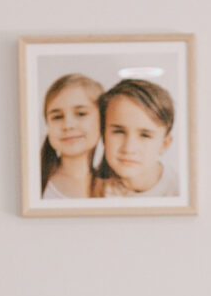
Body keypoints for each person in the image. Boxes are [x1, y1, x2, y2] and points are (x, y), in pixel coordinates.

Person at [98, 76, 178, 198]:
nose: (129, 148)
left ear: (164, 144)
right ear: (103, 135)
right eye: (119, 131)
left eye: (145, 135)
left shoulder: (179, 192)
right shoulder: (93, 189)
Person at [36, 72, 106, 201]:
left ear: (102, 120)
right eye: (57, 117)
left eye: (80, 114)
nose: (68, 125)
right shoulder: (35, 185)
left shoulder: (116, 187)